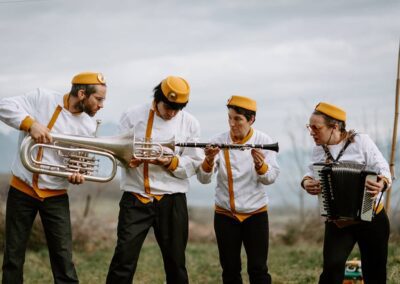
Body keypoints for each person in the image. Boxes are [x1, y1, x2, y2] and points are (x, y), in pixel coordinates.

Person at [0, 72, 107, 283]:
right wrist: (31, 123)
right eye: (99, 99)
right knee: (13, 256)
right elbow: (4, 106)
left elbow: (76, 163)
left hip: (56, 195)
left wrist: (77, 175)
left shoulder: (88, 126)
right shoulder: (43, 98)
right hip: (22, 189)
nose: (102, 105)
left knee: (64, 259)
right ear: (83, 94)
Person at [106, 75, 203, 284]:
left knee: (176, 263)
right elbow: (118, 149)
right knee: (123, 259)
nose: (172, 113)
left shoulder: (190, 123)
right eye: (168, 107)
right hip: (135, 197)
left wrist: (169, 163)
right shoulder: (132, 115)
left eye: (178, 109)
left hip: (172, 200)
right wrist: (127, 160)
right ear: (157, 98)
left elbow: (194, 164)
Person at [301, 102, 391, 284]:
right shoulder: (318, 149)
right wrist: (306, 183)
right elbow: (309, 174)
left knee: (375, 272)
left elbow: (384, 169)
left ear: (334, 127)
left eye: (315, 128)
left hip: (371, 218)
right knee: (331, 269)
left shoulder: (361, 142)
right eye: (309, 127)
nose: (311, 132)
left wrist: (381, 182)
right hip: (338, 221)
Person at [197, 95, 280, 284]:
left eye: (238, 119)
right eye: (229, 118)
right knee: (230, 270)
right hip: (225, 214)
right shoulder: (218, 140)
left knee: (258, 270)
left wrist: (261, 167)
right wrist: (209, 160)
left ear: (251, 120)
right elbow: (203, 179)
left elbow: (271, 178)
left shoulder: (264, 140)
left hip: (256, 214)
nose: (232, 124)